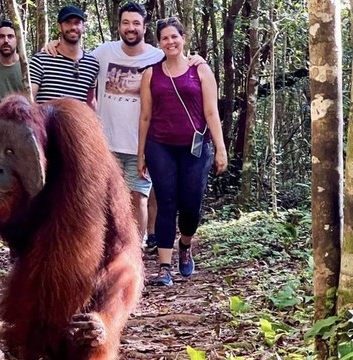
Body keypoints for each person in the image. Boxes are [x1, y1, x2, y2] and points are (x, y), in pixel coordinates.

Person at [43, 3, 205, 250]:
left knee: (138, 197)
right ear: (119, 26)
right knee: (103, 199)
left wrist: (197, 60)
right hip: (105, 144)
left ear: (144, 26)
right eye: (126, 23)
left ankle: (134, 252)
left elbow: (179, 62)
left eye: (136, 23)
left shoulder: (156, 55)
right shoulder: (102, 53)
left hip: (143, 143)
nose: (131, 28)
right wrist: (53, 44)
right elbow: (77, 55)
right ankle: (106, 250)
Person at [137, 17, 227, 286]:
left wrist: (220, 148)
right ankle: (164, 268)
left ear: (183, 38)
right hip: (160, 145)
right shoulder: (151, 73)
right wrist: (141, 153)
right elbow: (145, 116)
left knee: (191, 205)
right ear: (159, 43)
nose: (170, 42)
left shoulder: (200, 70)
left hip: (195, 148)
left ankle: (185, 245)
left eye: (174, 37)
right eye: (164, 38)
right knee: (165, 202)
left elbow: (211, 112)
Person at [29, 5, 98, 107]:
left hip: (78, 122)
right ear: (59, 26)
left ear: (83, 26)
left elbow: (91, 103)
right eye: (68, 22)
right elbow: (29, 101)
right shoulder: (41, 61)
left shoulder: (92, 64)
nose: (73, 27)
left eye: (77, 23)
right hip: (47, 122)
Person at [0, 19, 25, 100]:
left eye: (10, 36)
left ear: (17, 39)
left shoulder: (27, 66)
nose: (6, 41)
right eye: (1, 36)